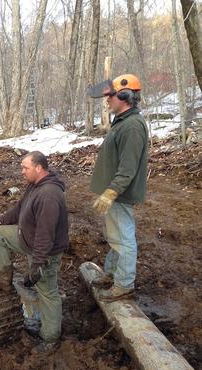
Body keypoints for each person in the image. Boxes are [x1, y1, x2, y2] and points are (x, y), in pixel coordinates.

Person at [0, 151, 69, 352]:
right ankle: (2, 276)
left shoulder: (48, 195)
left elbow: (45, 233)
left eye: (25, 168)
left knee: (47, 292)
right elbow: (20, 208)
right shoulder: (35, 186)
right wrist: (0, 221)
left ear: (38, 168)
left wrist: (38, 264)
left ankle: (50, 338)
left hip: (44, 250)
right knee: (1, 233)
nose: (22, 172)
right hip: (27, 238)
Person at [86, 74, 148, 302]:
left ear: (124, 96)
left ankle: (124, 284)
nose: (107, 100)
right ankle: (112, 273)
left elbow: (128, 168)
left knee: (123, 238)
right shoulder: (123, 121)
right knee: (115, 236)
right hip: (114, 192)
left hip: (120, 194)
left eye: (110, 96)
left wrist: (112, 192)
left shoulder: (132, 126)